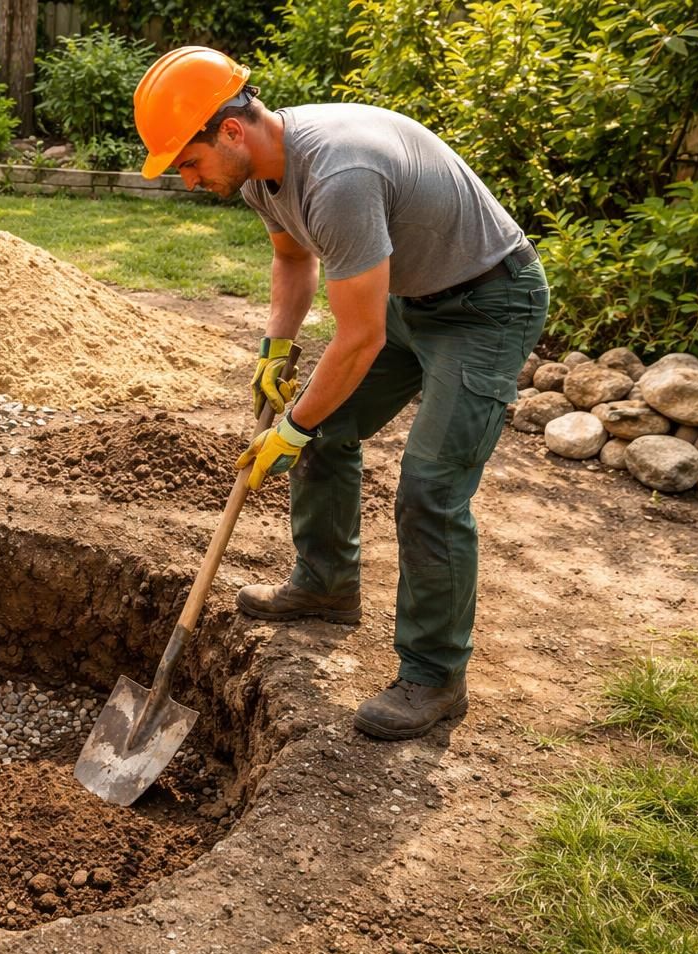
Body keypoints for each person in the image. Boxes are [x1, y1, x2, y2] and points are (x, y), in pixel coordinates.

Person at [133, 46, 549, 740]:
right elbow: (292, 259)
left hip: (487, 304)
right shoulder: (260, 178)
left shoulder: (339, 176)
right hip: (412, 300)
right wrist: (276, 348)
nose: (186, 179)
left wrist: (290, 428)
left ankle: (435, 677)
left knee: (429, 488)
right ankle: (326, 583)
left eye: (188, 160)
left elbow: (357, 339)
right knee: (323, 426)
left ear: (230, 131)